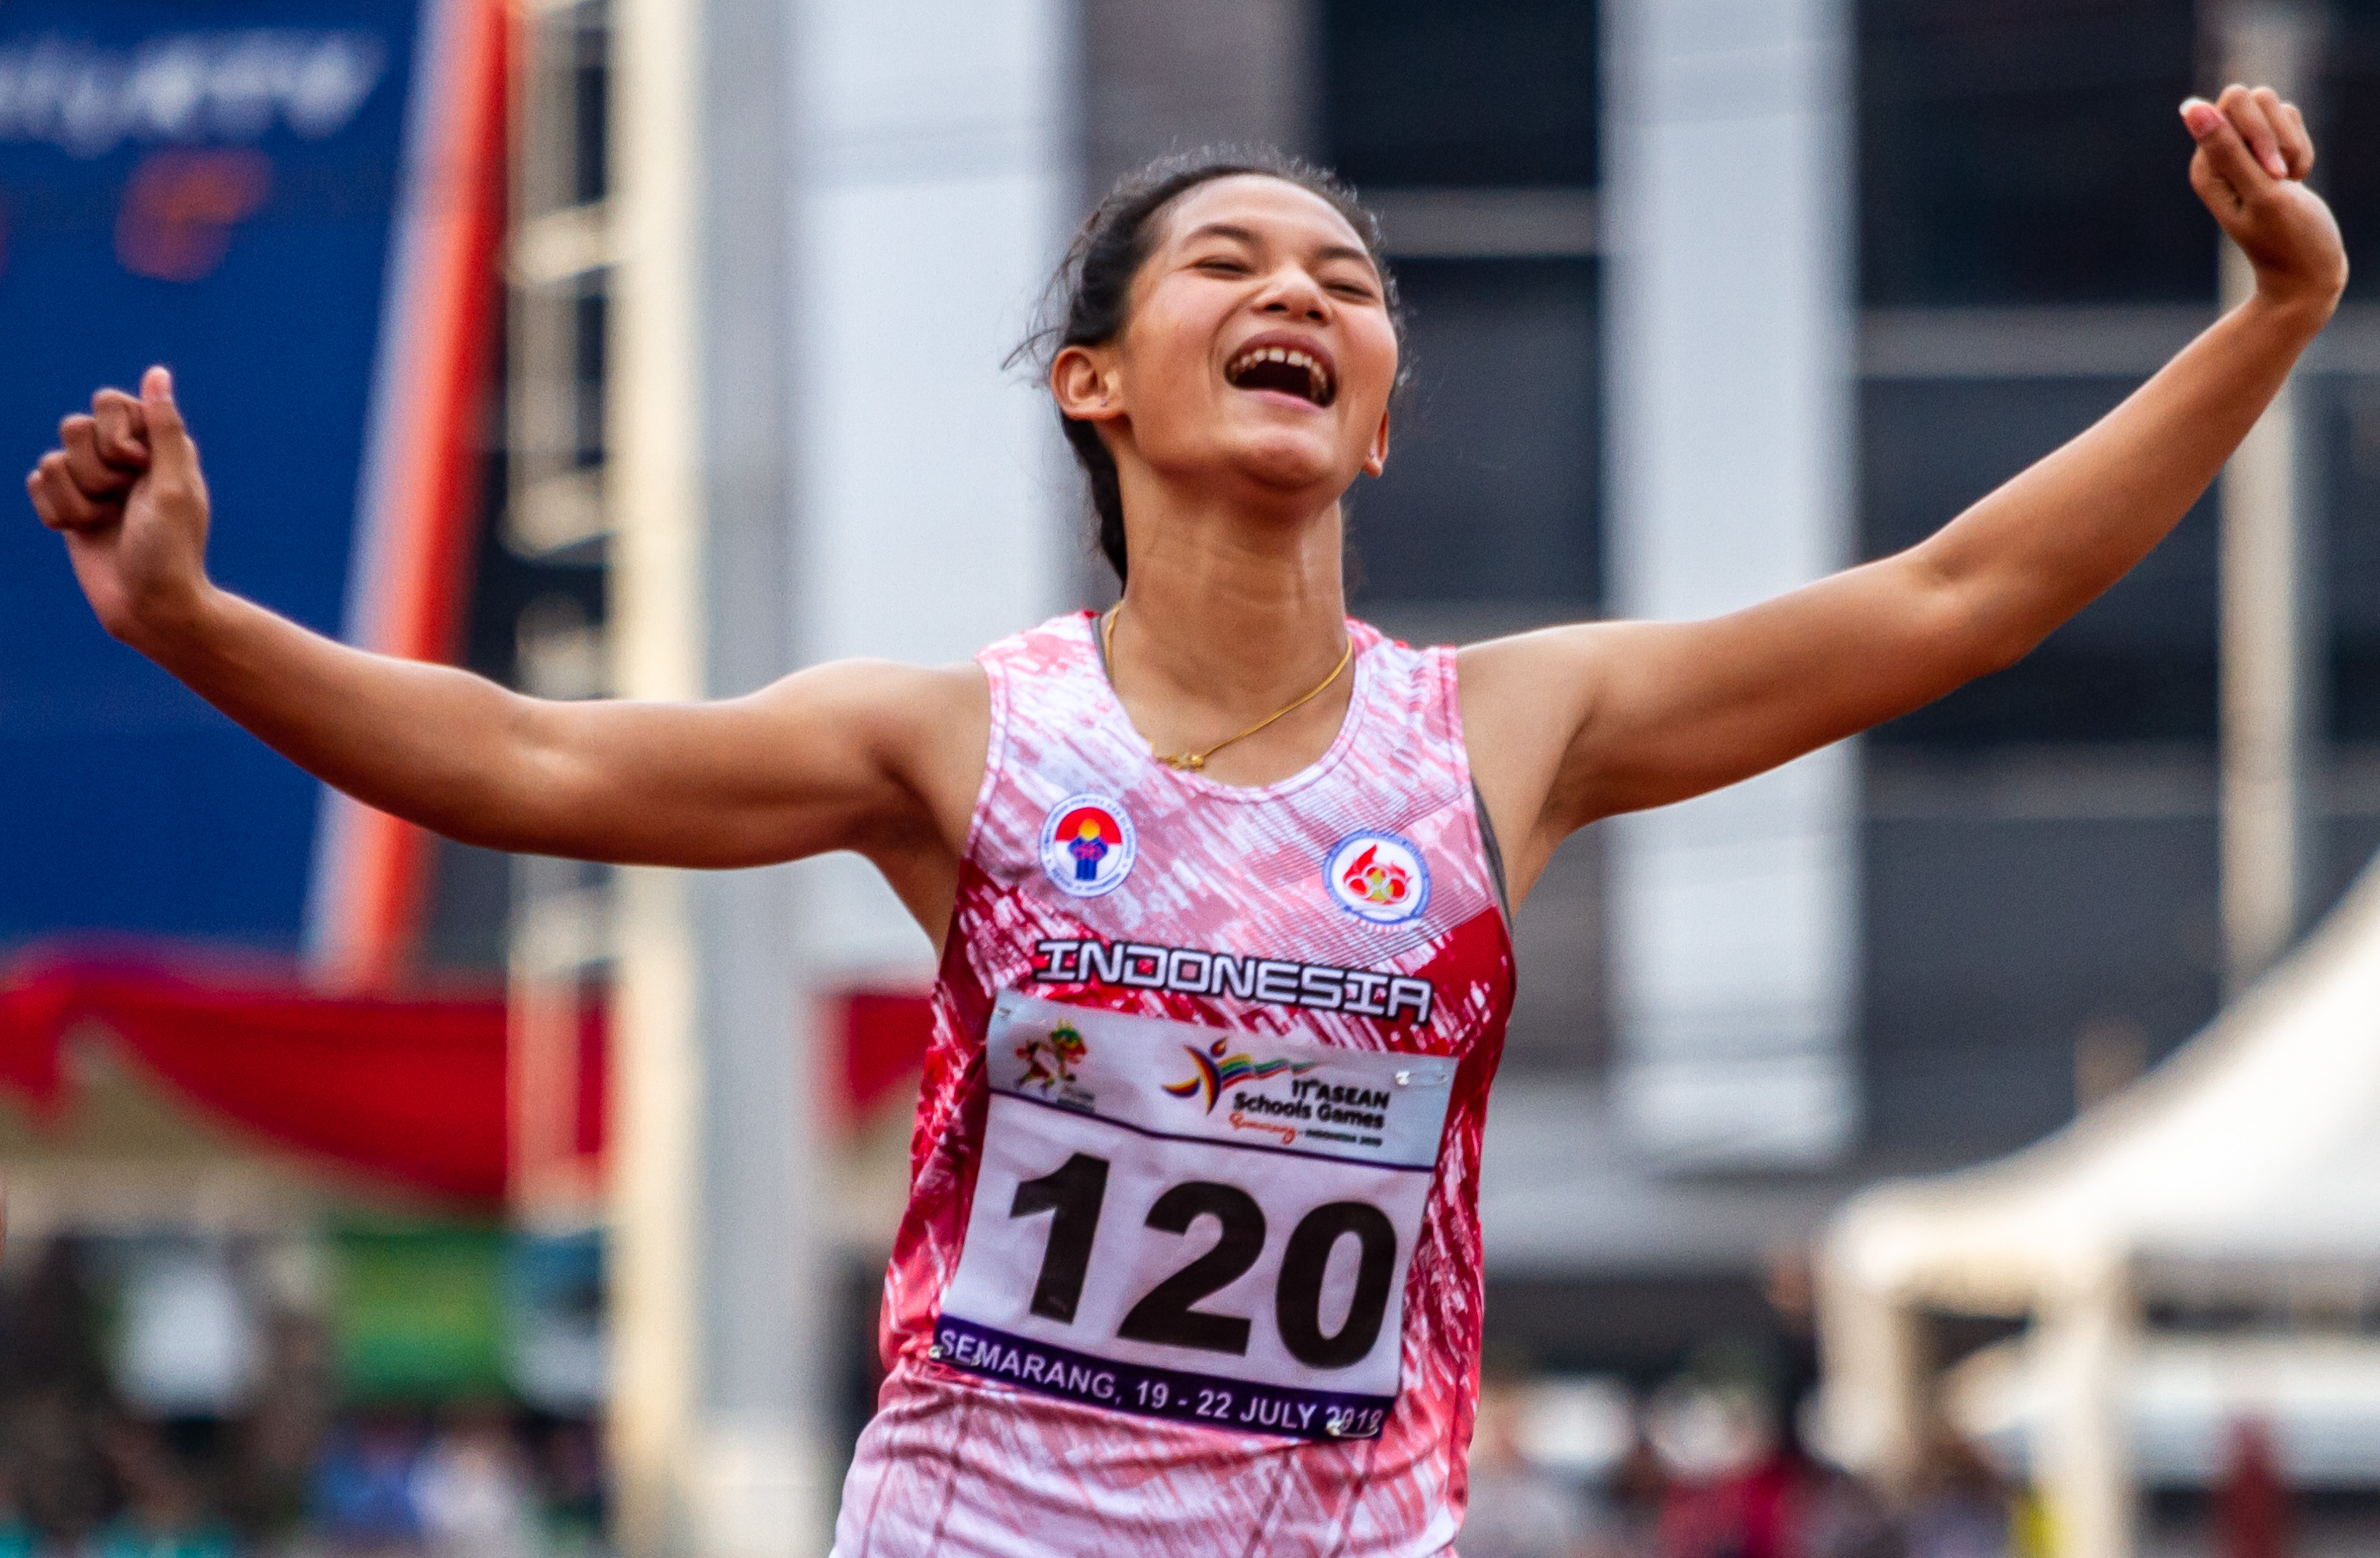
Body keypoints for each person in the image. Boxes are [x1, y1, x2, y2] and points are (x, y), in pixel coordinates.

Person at [24, 87, 2343, 1556]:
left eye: (1343, 282)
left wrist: (2265, 321)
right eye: (1230, 262)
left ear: (1377, 414)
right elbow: (529, 760)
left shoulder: (1502, 735)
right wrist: (193, 625)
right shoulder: (963, 741)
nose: (1298, 294)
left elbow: (1958, 592)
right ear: (1097, 383)